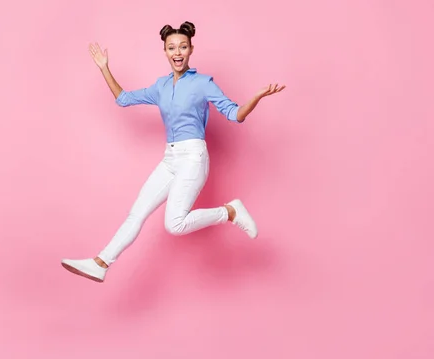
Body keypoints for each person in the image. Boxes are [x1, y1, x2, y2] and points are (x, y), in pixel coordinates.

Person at [61, 21, 285, 283]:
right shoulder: (161, 86)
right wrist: (104, 68)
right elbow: (123, 99)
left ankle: (230, 212)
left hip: (193, 157)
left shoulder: (203, 83)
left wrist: (256, 97)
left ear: (190, 49)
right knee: (137, 213)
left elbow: (234, 115)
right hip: (170, 158)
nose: (177, 52)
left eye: (182, 46)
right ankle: (101, 263)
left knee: (174, 224)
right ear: (165, 52)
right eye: (171, 48)